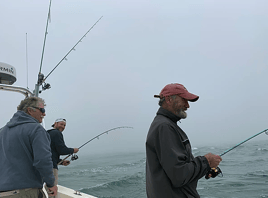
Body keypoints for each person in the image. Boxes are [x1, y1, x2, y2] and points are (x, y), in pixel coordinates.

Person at [146, 83, 222, 198]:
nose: (187, 106)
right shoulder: (164, 127)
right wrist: (206, 161)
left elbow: (176, 169)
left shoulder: (166, 125)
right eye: (184, 100)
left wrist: (205, 168)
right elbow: (179, 175)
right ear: (168, 99)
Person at [0, 97, 57, 197]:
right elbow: (43, 160)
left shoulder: (2, 131)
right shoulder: (36, 129)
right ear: (30, 110)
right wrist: (51, 184)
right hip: (26, 192)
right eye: (42, 110)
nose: (44, 114)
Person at [46, 118, 79, 198]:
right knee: (52, 190)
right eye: (61, 124)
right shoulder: (57, 133)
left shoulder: (47, 133)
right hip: (51, 167)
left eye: (64, 125)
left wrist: (61, 161)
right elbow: (61, 150)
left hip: (45, 165)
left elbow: (50, 152)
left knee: (46, 189)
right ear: (55, 123)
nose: (63, 126)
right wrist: (73, 150)